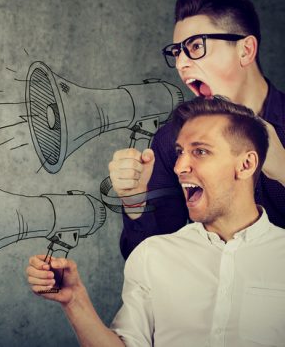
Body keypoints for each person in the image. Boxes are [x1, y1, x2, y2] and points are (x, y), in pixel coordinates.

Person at [28, 96, 285, 346]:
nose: (179, 166)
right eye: (180, 152)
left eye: (200, 151)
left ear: (246, 164)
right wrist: (74, 300)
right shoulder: (153, 255)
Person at [107, 0, 285, 257]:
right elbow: (151, 263)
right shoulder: (172, 141)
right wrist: (135, 201)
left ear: (246, 50)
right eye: (177, 52)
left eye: (195, 47)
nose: (181, 63)